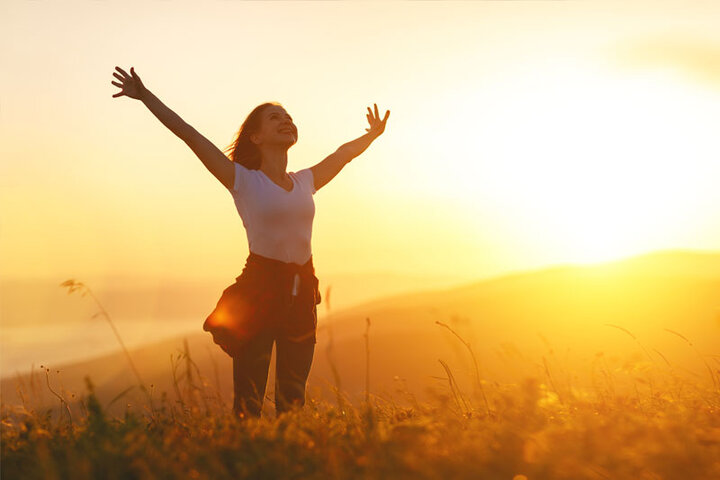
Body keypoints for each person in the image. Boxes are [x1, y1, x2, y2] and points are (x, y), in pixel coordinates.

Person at [110, 66, 390, 418]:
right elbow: (190, 136)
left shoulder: (306, 181)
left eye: (288, 117)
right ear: (255, 137)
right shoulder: (241, 179)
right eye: (275, 118)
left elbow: (342, 155)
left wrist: (372, 135)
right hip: (259, 291)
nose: (286, 121)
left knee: (292, 399)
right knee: (249, 401)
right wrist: (146, 96)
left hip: (303, 292)